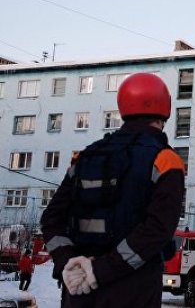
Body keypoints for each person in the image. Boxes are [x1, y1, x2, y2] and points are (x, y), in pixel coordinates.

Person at [40, 73, 186, 307]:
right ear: (164, 109)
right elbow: (157, 231)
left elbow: (51, 219)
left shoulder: (85, 157)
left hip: (78, 288)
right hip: (133, 289)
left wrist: (68, 263)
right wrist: (100, 270)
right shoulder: (166, 160)